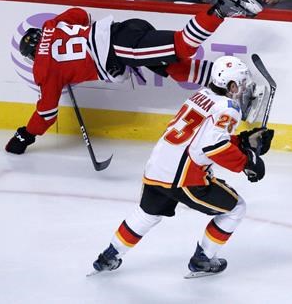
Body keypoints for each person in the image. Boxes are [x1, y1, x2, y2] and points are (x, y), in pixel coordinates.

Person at [4, 0, 264, 155]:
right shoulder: (51, 25)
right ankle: (236, 88)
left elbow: (46, 113)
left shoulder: (44, 69)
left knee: (182, 46)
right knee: (176, 69)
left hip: (118, 48)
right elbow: (80, 15)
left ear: (31, 55)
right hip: (123, 31)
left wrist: (24, 136)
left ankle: (222, 8)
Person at [90, 55, 273, 278]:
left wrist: (242, 141)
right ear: (231, 85)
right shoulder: (229, 107)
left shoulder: (201, 95)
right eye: (241, 84)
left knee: (147, 214)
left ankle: (108, 256)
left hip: (156, 169)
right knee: (236, 208)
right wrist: (247, 162)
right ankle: (202, 260)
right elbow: (213, 147)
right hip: (184, 178)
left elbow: (200, 137)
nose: (244, 89)